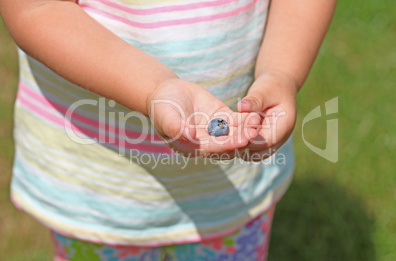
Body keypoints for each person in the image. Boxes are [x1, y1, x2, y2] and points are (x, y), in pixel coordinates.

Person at [0, 0, 336, 260]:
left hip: (232, 181)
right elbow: (36, 8)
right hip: (97, 188)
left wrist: (281, 72)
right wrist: (153, 87)